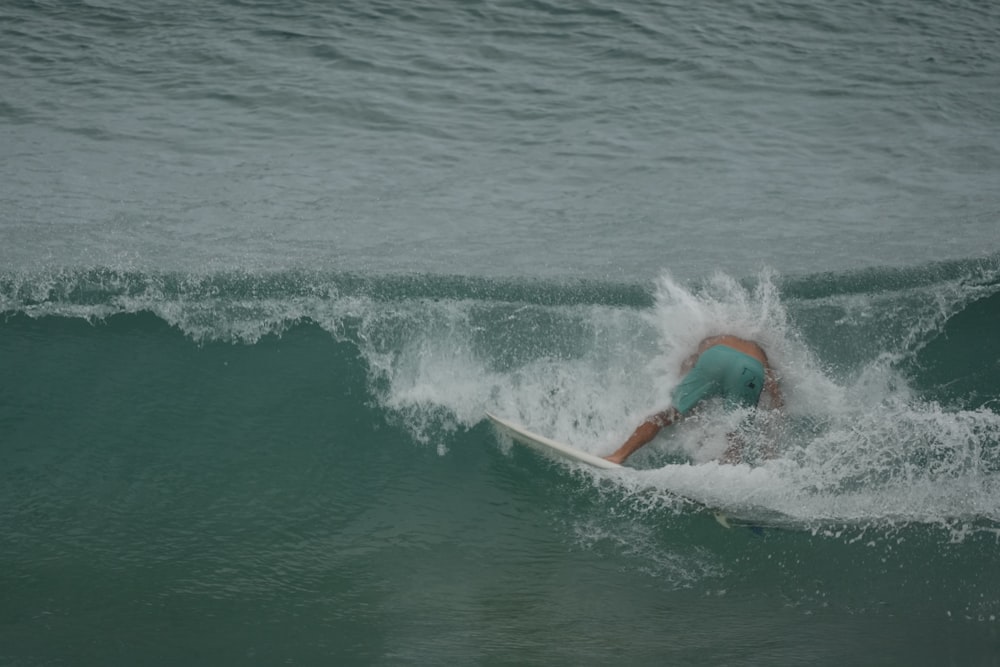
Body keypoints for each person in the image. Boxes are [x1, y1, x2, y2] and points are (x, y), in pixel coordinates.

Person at [603, 335, 783, 465]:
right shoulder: (758, 351)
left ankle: (618, 455)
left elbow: (688, 366)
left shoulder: (715, 338)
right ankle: (721, 486)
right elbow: (773, 389)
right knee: (737, 437)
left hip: (716, 357)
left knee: (670, 412)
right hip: (750, 370)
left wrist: (683, 402)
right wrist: (772, 434)